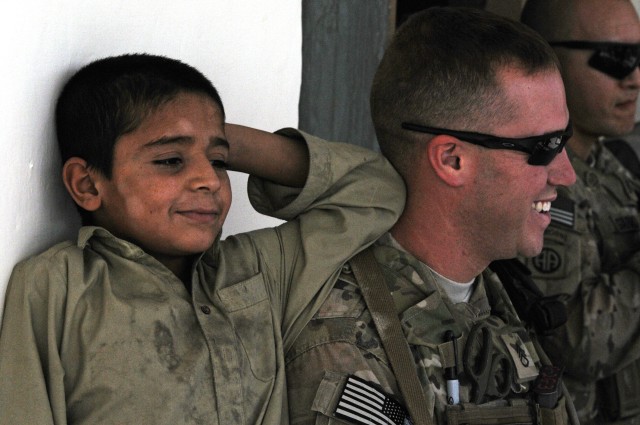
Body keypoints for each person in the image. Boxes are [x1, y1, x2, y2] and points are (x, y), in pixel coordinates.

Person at [0, 54, 405, 424]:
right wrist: (202, 136)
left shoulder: (257, 273)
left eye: (219, 162)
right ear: (88, 184)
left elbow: (376, 190)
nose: (209, 180)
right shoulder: (60, 286)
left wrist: (218, 136)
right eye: (170, 160)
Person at [285, 6, 578, 425]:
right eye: (545, 146)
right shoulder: (351, 348)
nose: (566, 174)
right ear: (453, 160)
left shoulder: (495, 294)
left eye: (564, 138)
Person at [520, 1, 640, 423]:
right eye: (616, 58)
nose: (635, 78)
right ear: (547, 61)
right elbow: (574, 342)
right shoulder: (531, 180)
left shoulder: (615, 163)